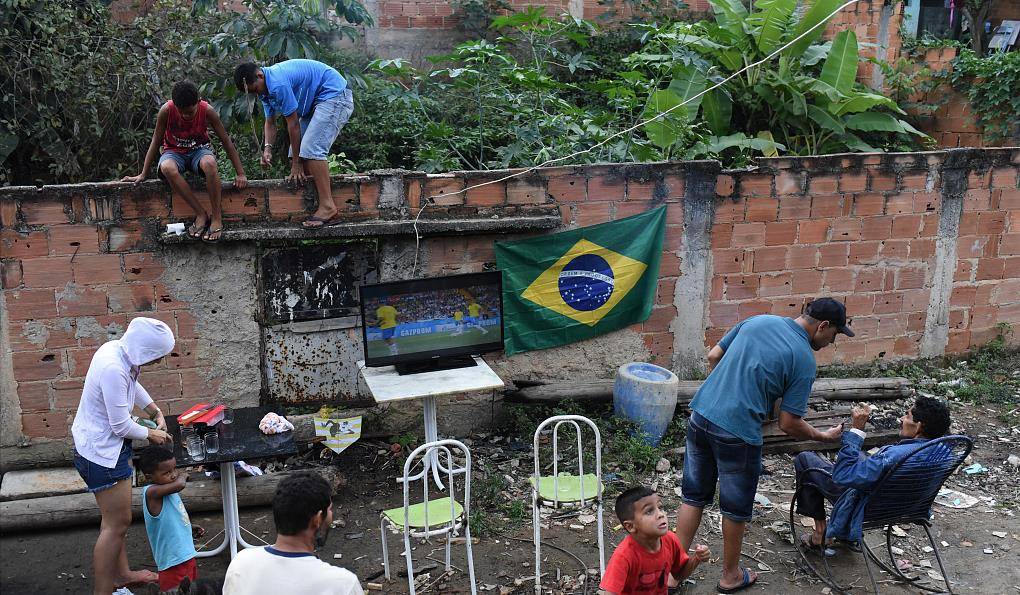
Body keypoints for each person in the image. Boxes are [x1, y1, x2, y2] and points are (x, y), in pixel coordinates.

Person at [675, 298, 854, 593]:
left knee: (693, 496)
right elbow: (789, 423)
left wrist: (726, 391)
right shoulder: (804, 360)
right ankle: (730, 575)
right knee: (735, 508)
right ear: (823, 326)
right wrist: (822, 436)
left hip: (701, 415)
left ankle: (672, 572)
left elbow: (713, 356)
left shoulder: (759, 320)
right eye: (834, 334)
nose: (832, 341)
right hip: (737, 433)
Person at [71, 317, 175, 595]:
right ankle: (104, 590)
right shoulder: (114, 367)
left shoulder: (117, 350)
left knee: (113, 521)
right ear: (146, 350)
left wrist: (152, 409)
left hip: (95, 446)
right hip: (102, 454)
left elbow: (132, 383)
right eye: (158, 357)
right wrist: (152, 434)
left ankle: (123, 574)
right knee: (116, 524)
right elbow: (120, 425)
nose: (157, 362)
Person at [794, 397, 953, 551]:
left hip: (865, 507)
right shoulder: (944, 453)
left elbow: (842, 476)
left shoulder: (893, 456)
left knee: (805, 459)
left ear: (918, 427)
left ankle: (820, 535)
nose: (902, 419)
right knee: (861, 456)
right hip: (909, 508)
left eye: (907, 416)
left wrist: (856, 431)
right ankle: (845, 536)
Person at [233, 59, 355, 229]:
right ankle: (311, 205)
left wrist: (297, 164)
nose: (256, 95)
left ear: (260, 75)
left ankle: (328, 207)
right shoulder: (264, 90)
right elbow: (270, 122)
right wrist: (268, 149)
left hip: (334, 95)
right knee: (295, 155)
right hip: (315, 104)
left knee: (312, 150)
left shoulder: (277, 84)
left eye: (255, 90)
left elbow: (294, 125)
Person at [122, 80, 248, 242]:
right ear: (175, 105)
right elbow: (156, 140)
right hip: (173, 152)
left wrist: (240, 173)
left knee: (210, 164)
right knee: (167, 167)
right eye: (183, 113)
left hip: (199, 151)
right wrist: (143, 173)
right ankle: (200, 213)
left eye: (190, 112)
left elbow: (226, 141)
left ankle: (216, 217)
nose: (187, 116)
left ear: (198, 101)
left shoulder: (207, 110)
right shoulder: (166, 111)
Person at [223, 472, 363, 595]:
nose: (331, 514)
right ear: (318, 519)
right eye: (330, 510)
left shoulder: (241, 563)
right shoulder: (343, 585)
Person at [599, 486, 711, 595]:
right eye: (649, 511)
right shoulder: (624, 556)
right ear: (630, 526)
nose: (661, 514)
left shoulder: (670, 539)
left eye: (660, 507)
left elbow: (679, 574)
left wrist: (697, 558)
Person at [138, 446, 199, 594]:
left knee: (190, 591)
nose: (173, 475)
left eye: (174, 469)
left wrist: (188, 527)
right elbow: (180, 484)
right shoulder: (151, 492)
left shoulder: (167, 489)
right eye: (166, 472)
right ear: (149, 476)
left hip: (187, 556)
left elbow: (172, 518)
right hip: (173, 562)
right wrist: (183, 476)